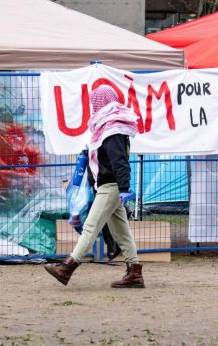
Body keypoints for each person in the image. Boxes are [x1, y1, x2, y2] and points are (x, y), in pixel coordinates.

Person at [44, 85, 145, 288]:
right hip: (110, 186)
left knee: (90, 227)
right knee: (122, 232)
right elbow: (116, 161)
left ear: (100, 103)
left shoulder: (111, 129)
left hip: (110, 187)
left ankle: (67, 268)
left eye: (94, 102)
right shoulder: (110, 127)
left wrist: (124, 188)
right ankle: (134, 272)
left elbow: (120, 162)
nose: (93, 106)